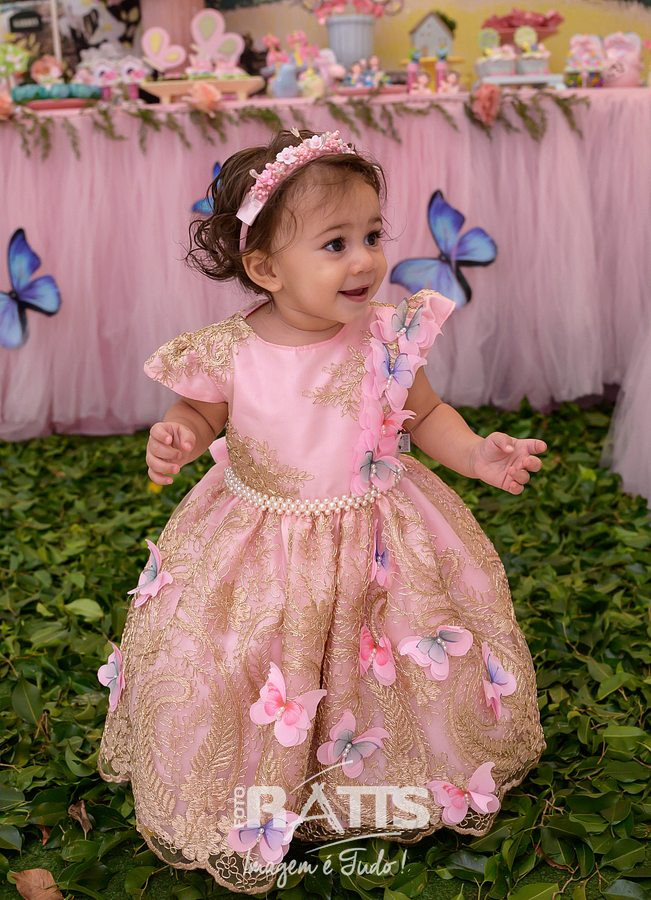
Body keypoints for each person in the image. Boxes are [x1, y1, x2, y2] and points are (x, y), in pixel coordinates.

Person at [96, 129, 547, 894]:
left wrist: (475, 454)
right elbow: (200, 411)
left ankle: (379, 769)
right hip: (259, 540)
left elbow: (425, 415)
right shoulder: (231, 349)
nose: (364, 260)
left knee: (382, 657)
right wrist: (180, 433)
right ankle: (253, 773)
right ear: (265, 268)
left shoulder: (387, 336)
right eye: (335, 244)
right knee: (242, 657)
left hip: (377, 534)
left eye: (371, 235)